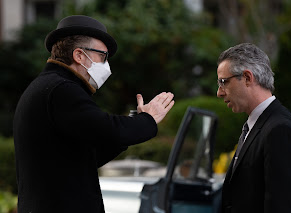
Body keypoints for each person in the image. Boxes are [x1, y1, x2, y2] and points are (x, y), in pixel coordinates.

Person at [13, 15, 174, 213]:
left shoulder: (48, 86)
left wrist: (135, 122)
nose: (106, 66)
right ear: (79, 55)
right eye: (102, 56)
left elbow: (88, 155)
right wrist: (148, 119)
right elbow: (109, 128)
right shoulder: (62, 90)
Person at [216, 43, 291, 213]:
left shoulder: (280, 130)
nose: (219, 92)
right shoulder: (260, 124)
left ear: (247, 77)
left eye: (223, 82)